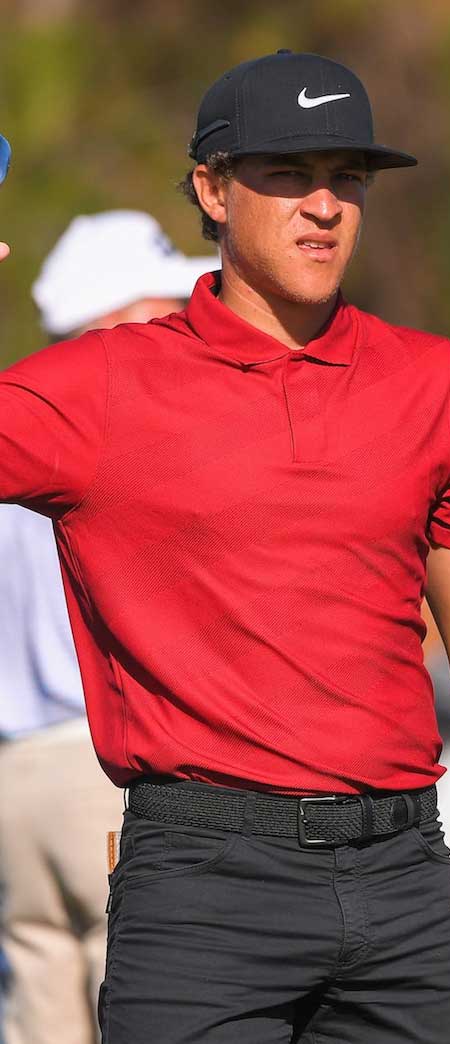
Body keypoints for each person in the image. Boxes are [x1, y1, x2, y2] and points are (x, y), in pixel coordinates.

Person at [0, 51, 450, 1041]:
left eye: (346, 178)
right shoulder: (96, 386)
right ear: (212, 190)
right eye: (286, 174)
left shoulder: (430, 380)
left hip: (407, 878)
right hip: (203, 885)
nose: (324, 205)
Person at [0, 211, 215, 1044]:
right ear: (113, 317)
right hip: (106, 772)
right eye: (162, 302)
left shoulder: (16, 415)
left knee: (40, 1012)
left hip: (13, 780)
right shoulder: (123, 428)